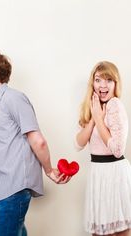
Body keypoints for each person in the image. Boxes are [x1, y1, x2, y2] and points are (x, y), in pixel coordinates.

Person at [0, 48, 71, 236]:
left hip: (13, 190)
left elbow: (38, 141)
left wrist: (49, 170)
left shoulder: (14, 98)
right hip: (1, 191)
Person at [75, 61, 131, 236]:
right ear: (93, 83)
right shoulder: (92, 106)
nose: (103, 85)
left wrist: (99, 119)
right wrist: (93, 117)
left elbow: (118, 150)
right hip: (98, 173)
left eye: (109, 80)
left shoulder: (115, 105)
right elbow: (78, 144)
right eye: (98, 80)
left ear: (116, 84)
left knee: (120, 231)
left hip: (115, 173)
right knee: (99, 232)